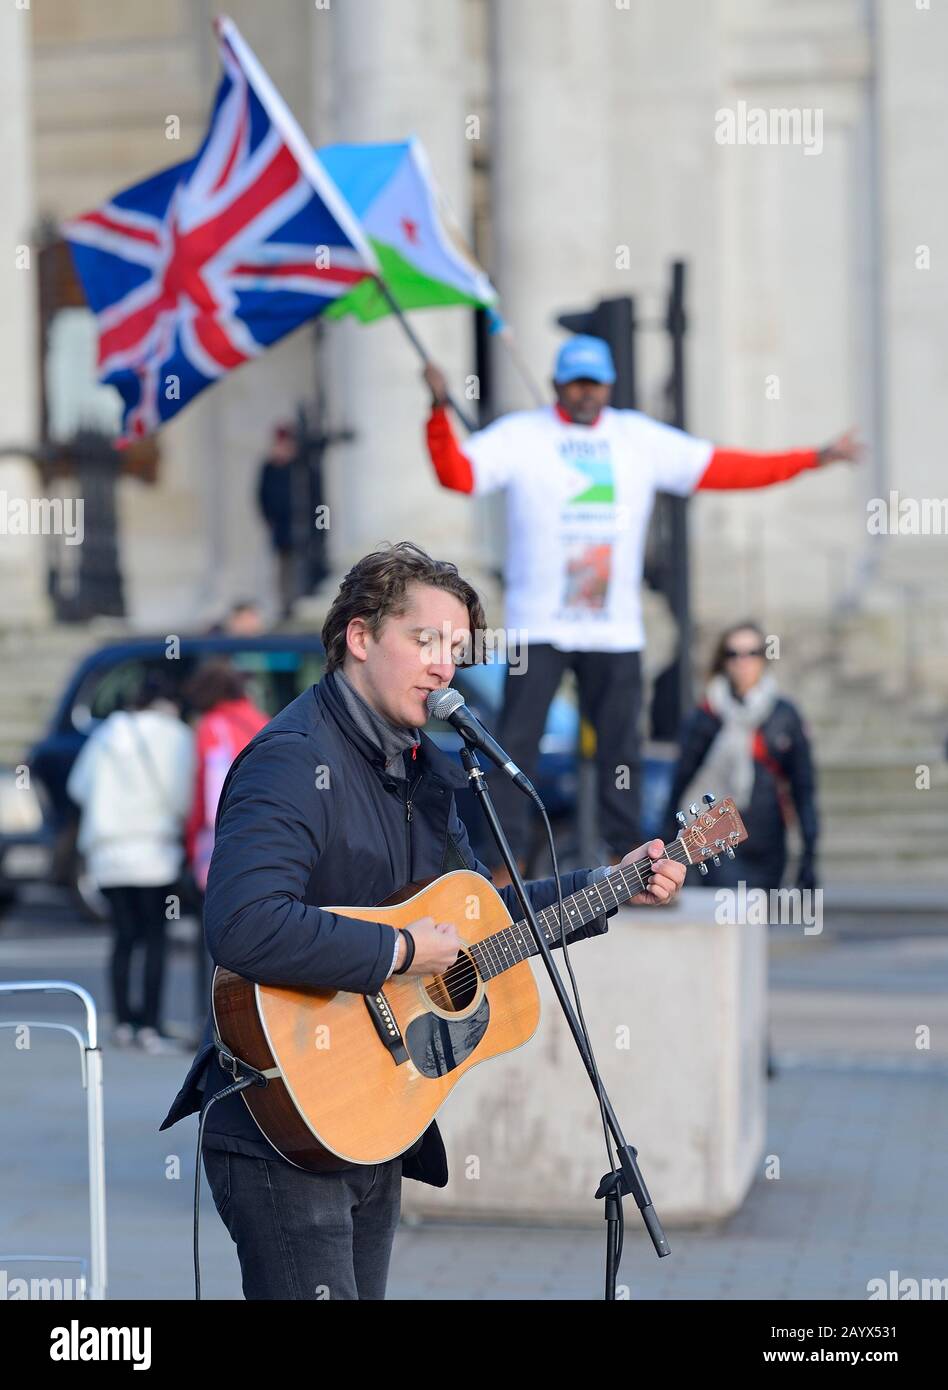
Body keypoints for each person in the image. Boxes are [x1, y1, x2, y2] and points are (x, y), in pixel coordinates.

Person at [159, 541, 686, 1301]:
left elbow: (479, 920)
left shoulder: (426, 771)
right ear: (361, 637)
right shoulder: (292, 760)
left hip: (372, 1114)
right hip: (282, 1124)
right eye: (425, 641)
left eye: (457, 651)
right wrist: (401, 950)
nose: (446, 667)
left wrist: (608, 886)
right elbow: (243, 926)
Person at [422, 338, 858, 878]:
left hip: (614, 630)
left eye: (595, 383)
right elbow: (458, 474)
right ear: (558, 384)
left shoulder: (637, 438)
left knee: (620, 753)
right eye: (576, 383)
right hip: (539, 625)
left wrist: (813, 459)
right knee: (514, 747)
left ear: (609, 386)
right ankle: (503, 865)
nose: (585, 393)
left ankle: (624, 860)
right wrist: (440, 412)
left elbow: (725, 468)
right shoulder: (521, 435)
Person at [66, 671, 195, 1054]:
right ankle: (151, 1026)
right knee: (156, 937)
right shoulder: (177, 736)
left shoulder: (106, 734)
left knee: (123, 937)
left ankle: (123, 1022)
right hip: (155, 852)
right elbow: (184, 797)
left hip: (108, 853)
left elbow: (78, 787)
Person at [662, 621, 819, 896]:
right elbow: (681, 780)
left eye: (752, 653)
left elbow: (803, 786)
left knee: (760, 925)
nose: (743, 662)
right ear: (723, 661)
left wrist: (809, 853)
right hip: (717, 837)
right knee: (731, 913)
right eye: (733, 654)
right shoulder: (705, 716)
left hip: (768, 839)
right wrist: (666, 843)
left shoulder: (784, 715)